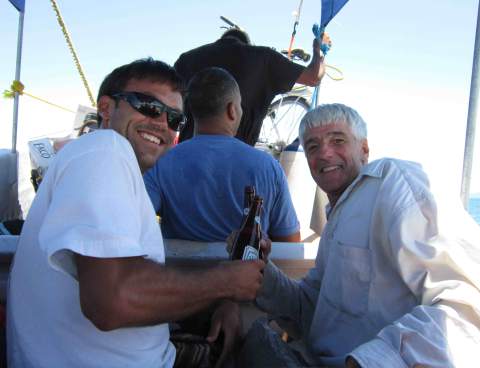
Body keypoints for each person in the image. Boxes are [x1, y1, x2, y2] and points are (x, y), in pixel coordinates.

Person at [7, 58, 265, 368]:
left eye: (175, 119)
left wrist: (217, 301)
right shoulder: (104, 149)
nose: (162, 124)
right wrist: (226, 282)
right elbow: (112, 301)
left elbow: (128, 280)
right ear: (106, 108)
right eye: (149, 106)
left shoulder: (110, 165)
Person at [247, 103, 480, 367]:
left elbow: (470, 305)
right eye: (313, 147)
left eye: (337, 140)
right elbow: (312, 308)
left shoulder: (393, 183)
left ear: (364, 149)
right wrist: (262, 273)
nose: (325, 153)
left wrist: (372, 361)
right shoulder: (337, 217)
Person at [144, 67, 301, 243]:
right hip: (245, 269)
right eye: (240, 105)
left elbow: (137, 224)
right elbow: (290, 243)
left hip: (177, 269)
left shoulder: (162, 162)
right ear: (232, 110)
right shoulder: (268, 167)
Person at [174, 28, 327, 146]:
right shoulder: (264, 58)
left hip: (186, 157)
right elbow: (314, 77)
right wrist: (318, 50)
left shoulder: (187, 59)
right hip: (238, 162)